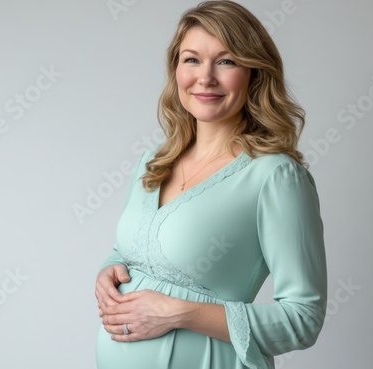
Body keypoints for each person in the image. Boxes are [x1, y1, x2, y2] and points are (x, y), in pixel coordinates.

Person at [94, 1, 327, 368]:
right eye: (191, 59)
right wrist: (109, 272)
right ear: (175, 69)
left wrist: (179, 313)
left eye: (226, 61)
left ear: (254, 72)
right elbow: (133, 250)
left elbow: (303, 320)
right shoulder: (154, 161)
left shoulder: (275, 177)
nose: (205, 78)